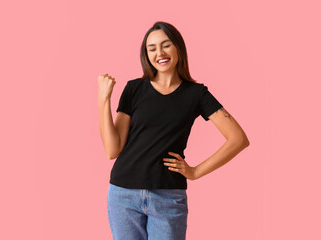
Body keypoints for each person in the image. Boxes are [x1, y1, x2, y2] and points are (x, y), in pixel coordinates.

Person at [98, 21, 250, 240]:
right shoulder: (134, 89)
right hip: (123, 194)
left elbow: (238, 139)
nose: (159, 53)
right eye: (152, 48)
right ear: (146, 55)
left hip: (168, 196)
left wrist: (196, 171)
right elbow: (112, 151)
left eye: (166, 45)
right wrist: (104, 100)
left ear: (178, 47)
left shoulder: (197, 94)